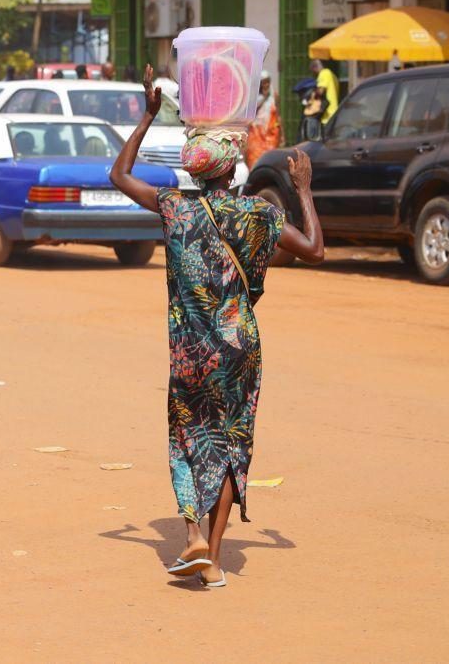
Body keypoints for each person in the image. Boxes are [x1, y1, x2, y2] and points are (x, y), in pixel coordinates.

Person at [109, 64, 324, 589]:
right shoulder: (258, 214)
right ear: (230, 172)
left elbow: (117, 176)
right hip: (239, 349)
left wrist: (147, 116)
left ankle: (192, 537)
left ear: (196, 172)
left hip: (190, 352)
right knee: (231, 443)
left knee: (188, 437)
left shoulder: (175, 208)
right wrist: (302, 189)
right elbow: (316, 250)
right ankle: (215, 559)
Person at [246, 70, 284, 167]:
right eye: (263, 82)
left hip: (271, 135)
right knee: (255, 160)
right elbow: (250, 112)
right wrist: (263, 97)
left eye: (267, 82)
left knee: (269, 161)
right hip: (256, 134)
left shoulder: (274, 96)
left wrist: (282, 135)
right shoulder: (254, 97)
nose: (266, 85)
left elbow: (278, 116)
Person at [310, 58, 339, 124]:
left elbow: (321, 91)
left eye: (313, 71)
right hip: (333, 112)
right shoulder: (332, 75)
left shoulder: (324, 73)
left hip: (327, 115)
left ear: (315, 68)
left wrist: (312, 92)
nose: (314, 74)